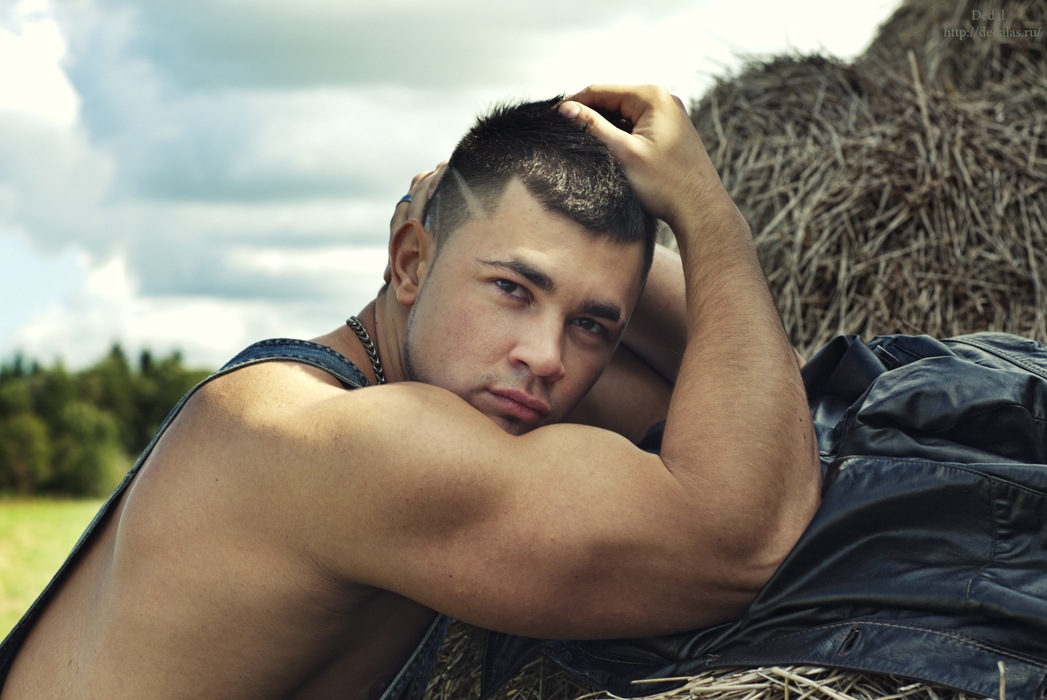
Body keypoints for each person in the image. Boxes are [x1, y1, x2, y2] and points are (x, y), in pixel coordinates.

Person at [0, 85, 821, 700]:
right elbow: (746, 538)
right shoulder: (348, 442)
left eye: (591, 324)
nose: (544, 357)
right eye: (512, 289)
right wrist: (705, 214)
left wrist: (564, 224)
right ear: (408, 262)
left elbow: (760, 405)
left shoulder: (441, 382)